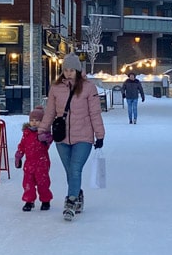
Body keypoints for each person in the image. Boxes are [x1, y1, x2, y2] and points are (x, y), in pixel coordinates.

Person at [39, 53, 105, 221]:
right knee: (70, 171)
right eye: (66, 70)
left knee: (75, 169)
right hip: (61, 137)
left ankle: (71, 202)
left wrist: (100, 135)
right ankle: (78, 193)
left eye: (72, 70)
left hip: (84, 136)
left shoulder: (89, 88)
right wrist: (42, 130)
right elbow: (50, 112)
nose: (68, 73)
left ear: (78, 70)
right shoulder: (55, 88)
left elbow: (95, 113)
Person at [14, 105, 53, 211]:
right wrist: (19, 155)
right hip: (29, 163)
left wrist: (45, 138)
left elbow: (49, 141)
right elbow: (22, 145)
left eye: (37, 120)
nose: (34, 122)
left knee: (43, 182)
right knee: (28, 183)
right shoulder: (26, 133)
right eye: (32, 120)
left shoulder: (44, 133)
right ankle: (29, 201)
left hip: (42, 162)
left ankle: (45, 200)